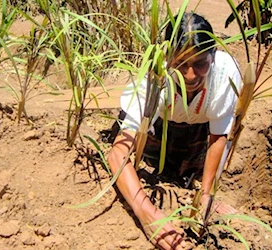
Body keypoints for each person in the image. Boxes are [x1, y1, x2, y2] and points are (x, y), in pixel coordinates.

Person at [107, 12, 241, 250]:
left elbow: (218, 136)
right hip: (158, 127)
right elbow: (117, 154)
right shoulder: (152, 80)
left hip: (198, 130)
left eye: (200, 64)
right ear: (167, 57)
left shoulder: (225, 75)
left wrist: (206, 196)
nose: (190, 76)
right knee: (153, 165)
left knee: (190, 174)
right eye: (181, 63)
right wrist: (147, 213)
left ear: (213, 56)